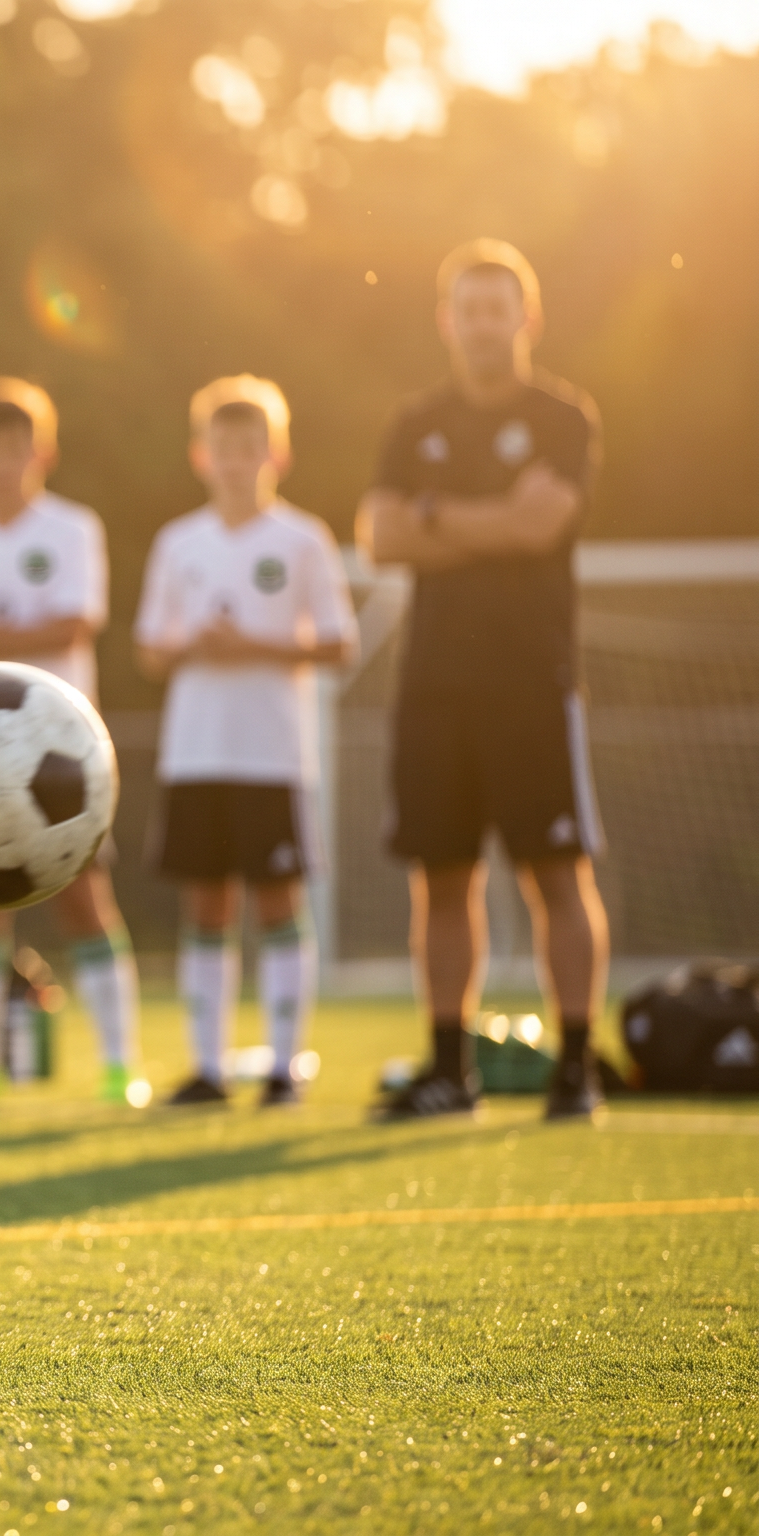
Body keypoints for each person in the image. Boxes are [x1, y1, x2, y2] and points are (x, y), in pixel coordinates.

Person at [358, 238, 607, 1124]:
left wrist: (438, 518)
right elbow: (381, 536)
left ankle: (575, 1066)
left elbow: (541, 529)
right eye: (468, 311)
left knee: (556, 873)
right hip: (434, 684)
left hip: (533, 684)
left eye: (498, 310)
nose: (483, 327)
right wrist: (487, 518)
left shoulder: (563, 418)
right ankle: (445, 1072)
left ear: (526, 319)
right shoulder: (413, 422)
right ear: (446, 322)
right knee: (442, 878)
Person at [0, 379, 141, 1103]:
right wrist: (2, 639)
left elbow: (73, 625)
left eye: (18, 449)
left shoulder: (73, 529)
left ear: (43, 452)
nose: (4, 464)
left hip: (60, 750)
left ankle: (119, 1063)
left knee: (82, 896)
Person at [134, 378, 357, 1108]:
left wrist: (255, 646)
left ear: (278, 455)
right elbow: (149, 650)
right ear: (202, 456)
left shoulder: (302, 539)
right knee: (207, 906)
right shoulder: (178, 541)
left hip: (272, 753)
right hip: (196, 752)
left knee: (278, 904)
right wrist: (193, 644)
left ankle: (283, 1068)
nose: (237, 463)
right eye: (224, 449)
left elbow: (337, 645)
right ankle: (207, 1067)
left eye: (250, 449)